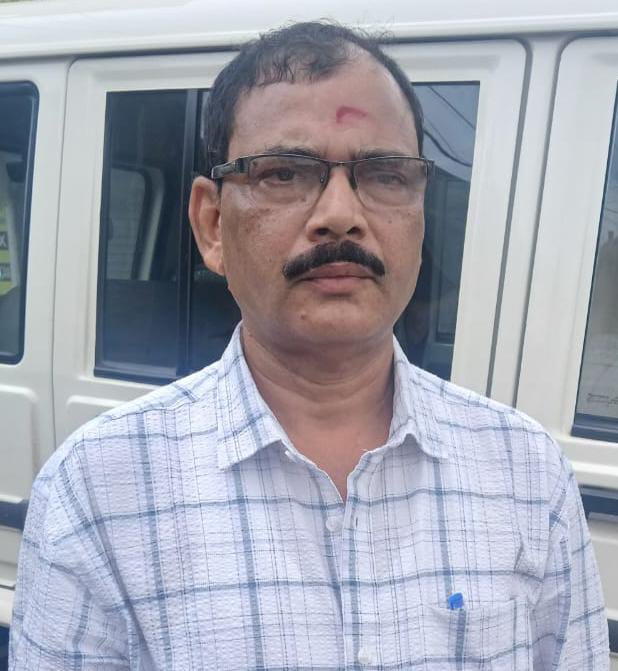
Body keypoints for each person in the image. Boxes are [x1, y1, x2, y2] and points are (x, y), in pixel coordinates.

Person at [9, 21, 609, 670]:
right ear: (212, 224)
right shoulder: (97, 491)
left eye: (384, 175)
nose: (341, 215)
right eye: (285, 173)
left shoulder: (526, 472)